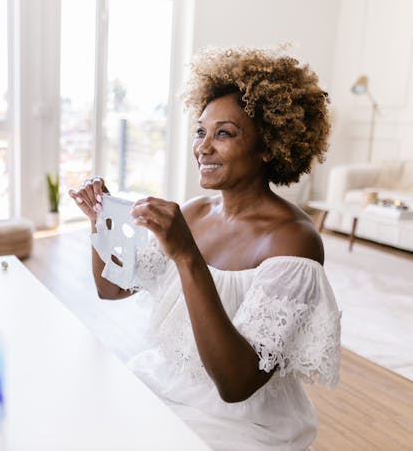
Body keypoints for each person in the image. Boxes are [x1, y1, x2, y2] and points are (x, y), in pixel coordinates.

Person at [68, 46, 341, 451]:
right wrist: (102, 223)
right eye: (200, 131)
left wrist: (187, 256)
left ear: (269, 147)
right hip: (165, 385)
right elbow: (111, 289)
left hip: (243, 424)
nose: (203, 147)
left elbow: (236, 384)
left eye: (224, 133)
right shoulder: (194, 213)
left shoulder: (293, 241)